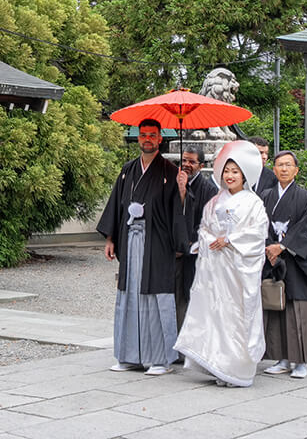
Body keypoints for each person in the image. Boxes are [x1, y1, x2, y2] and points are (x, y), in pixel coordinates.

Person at [97, 119, 189, 375]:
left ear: (160, 138)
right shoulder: (127, 170)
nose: (147, 139)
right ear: (138, 138)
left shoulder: (170, 171)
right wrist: (110, 238)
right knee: (129, 296)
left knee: (157, 296)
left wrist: (181, 191)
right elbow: (116, 205)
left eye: (152, 135)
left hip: (157, 243)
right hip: (130, 241)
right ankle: (129, 356)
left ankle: (161, 358)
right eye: (143, 135)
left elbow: (177, 211)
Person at [174, 140, 269, 387]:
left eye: (235, 171)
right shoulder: (214, 202)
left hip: (238, 270)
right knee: (216, 315)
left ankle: (238, 370)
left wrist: (229, 239)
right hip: (216, 270)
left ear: (244, 174)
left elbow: (257, 234)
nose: (230, 176)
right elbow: (204, 228)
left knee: (238, 316)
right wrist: (209, 239)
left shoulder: (254, 203)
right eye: (226, 171)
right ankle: (218, 365)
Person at [260, 151, 307, 379]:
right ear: (273, 169)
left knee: (298, 309)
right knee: (276, 308)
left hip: (297, 261)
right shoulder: (266, 195)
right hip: (273, 260)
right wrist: (269, 247)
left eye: (288, 165)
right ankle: (282, 358)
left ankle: (301, 360)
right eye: (279, 165)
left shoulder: (304, 197)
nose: (283, 169)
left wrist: (282, 247)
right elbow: (260, 225)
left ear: (296, 170)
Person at [175, 148, 219, 329]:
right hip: (174, 251)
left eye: (192, 162)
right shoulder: (173, 183)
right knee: (174, 295)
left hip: (195, 252)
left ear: (201, 166)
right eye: (184, 160)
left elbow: (208, 223)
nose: (186, 165)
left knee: (193, 296)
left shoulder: (209, 189)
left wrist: (187, 243)